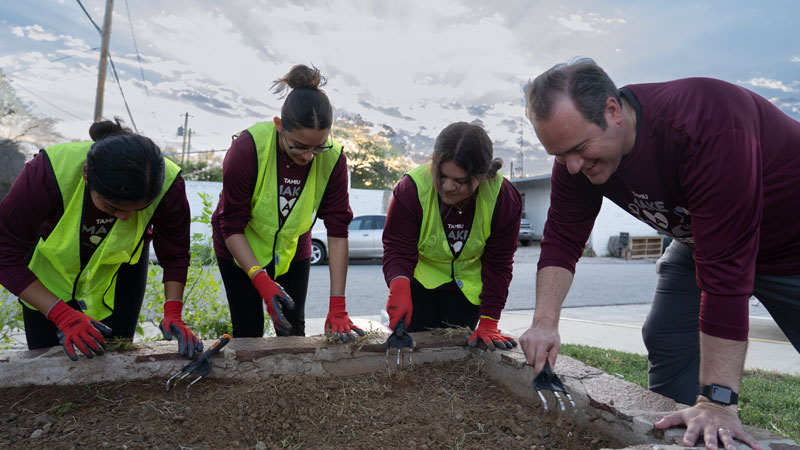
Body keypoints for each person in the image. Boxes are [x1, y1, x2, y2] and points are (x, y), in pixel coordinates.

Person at [518, 58, 800, 450]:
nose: (573, 165)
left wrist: (718, 401)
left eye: (580, 149)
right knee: (666, 332)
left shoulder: (704, 125)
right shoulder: (575, 157)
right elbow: (563, 238)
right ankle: (680, 438)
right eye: (560, 154)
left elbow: (726, 273)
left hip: (790, 243)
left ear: (612, 111)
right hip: (704, 238)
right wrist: (544, 323)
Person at [0, 119, 202, 361]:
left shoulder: (168, 183)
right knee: (47, 362)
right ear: (87, 175)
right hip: (49, 276)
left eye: (139, 209)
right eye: (113, 207)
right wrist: (62, 314)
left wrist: (173, 311)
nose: (125, 218)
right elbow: (4, 253)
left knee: (115, 361)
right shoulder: (48, 171)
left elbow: (176, 254)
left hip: (120, 274)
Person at [211, 64, 362, 342]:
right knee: (249, 331)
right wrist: (258, 277)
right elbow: (230, 224)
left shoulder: (334, 159)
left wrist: (337, 305)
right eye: (299, 146)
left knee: (293, 331)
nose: (309, 157)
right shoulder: (248, 148)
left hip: (293, 247)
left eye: (318, 146)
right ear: (279, 126)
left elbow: (338, 231)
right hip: (239, 244)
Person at [382, 122, 522, 349]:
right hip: (417, 286)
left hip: (467, 291)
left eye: (460, 181)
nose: (448, 187)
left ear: (483, 175)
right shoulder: (410, 190)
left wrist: (489, 319)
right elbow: (397, 249)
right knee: (416, 352)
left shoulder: (504, 198)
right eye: (442, 175)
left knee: (457, 353)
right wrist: (398, 286)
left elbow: (499, 263)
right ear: (434, 163)